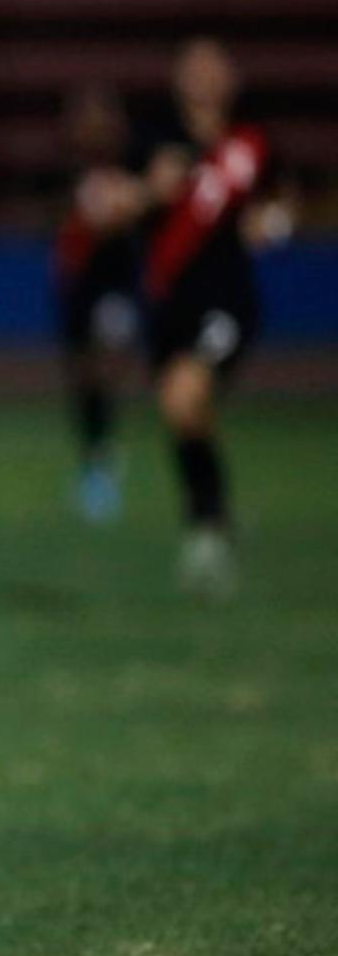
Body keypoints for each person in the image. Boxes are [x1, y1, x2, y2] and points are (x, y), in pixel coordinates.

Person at [138, 38, 291, 596]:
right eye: (193, 67)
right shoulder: (154, 137)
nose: (203, 77)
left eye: (213, 67)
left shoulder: (252, 141)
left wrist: (272, 222)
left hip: (227, 298)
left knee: (184, 396)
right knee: (183, 413)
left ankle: (207, 523)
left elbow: (282, 202)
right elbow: (121, 201)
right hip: (168, 299)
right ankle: (212, 519)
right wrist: (146, 190)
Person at [51, 84, 144, 524]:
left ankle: (104, 459)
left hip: (114, 285)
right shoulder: (67, 172)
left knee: (105, 362)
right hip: (76, 287)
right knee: (82, 375)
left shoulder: (132, 169)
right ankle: (96, 454)